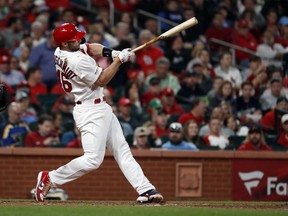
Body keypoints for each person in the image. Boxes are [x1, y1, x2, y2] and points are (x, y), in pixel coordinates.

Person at [34, 23, 163, 204]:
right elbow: (102, 80)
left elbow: (90, 47)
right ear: (64, 44)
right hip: (89, 110)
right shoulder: (77, 61)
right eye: (74, 39)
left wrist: (112, 53)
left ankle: (146, 190)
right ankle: (51, 178)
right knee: (93, 160)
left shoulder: (61, 50)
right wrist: (119, 61)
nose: (79, 40)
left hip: (99, 107)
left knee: (122, 151)